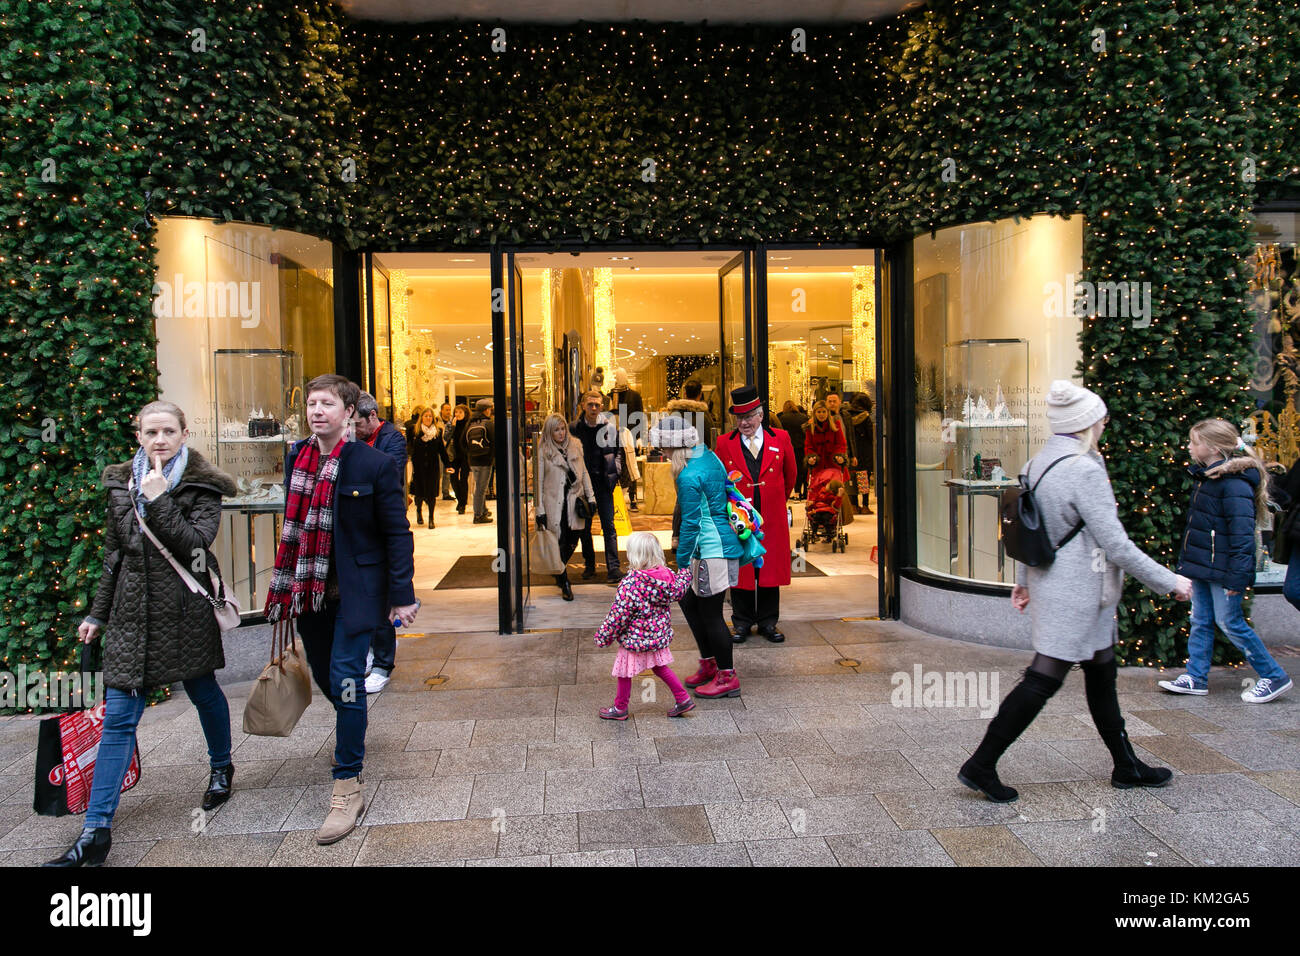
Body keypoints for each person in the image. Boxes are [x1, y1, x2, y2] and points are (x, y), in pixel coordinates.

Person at [958, 381, 1193, 803]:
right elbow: (1116, 543)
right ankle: (981, 763)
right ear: (1086, 423)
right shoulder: (1084, 468)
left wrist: (1025, 580)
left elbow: (1024, 526)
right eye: (1101, 417)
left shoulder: (1038, 461)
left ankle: (1126, 765)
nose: (1105, 423)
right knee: (1041, 680)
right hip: (1078, 592)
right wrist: (1169, 581)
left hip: (1064, 586)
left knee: (1102, 675)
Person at [46, 401, 237, 867]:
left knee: (202, 690)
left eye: (169, 431)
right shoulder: (119, 483)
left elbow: (195, 548)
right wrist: (97, 614)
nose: (160, 440)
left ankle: (221, 766)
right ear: (138, 436)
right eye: (151, 431)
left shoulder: (202, 486)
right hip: (133, 612)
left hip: (184, 609)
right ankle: (96, 832)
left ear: (184, 435)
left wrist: (160, 500)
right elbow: (115, 554)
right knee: (118, 719)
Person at [264, 374, 417, 844]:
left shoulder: (372, 463)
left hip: (357, 593)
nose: (317, 411)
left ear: (349, 411)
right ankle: (353, 727)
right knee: (333, 682)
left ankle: (347, 782)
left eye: (327, 403)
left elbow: (396, 532)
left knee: (348, 678)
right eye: (312, 403)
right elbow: (296, 521)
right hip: (309, 593)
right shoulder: (297, 457)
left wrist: (402, 594)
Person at [1157, 419, 1293, 702]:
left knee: (1230, 622)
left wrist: (1238, 577)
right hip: (1206, 567)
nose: (1190, 447)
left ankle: (1274, 675)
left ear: (1213, 448)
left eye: (1194, 442)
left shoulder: (1234, 484)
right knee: (1201, 621)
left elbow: (1242, 534)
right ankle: (1196, 677)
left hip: (1223, 570)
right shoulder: (1210, 477)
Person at [652, 413, 747, 699]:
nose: (663, 454)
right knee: (691, 602)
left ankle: (727, 676)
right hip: (712, 548)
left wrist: (681, 565)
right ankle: (709, 664)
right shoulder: (708, 457)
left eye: (665, 449)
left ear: (676, 446)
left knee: (711, 613)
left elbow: (691, 524)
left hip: (710, 550)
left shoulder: (689, 474)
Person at [715, 385, 797, 643]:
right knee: (742, 568)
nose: (744, 423)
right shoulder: (724, 443)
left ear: (761, 415)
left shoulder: (781, 438)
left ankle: (768, 622)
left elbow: (791, 474)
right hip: (739, 519)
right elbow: (720, 481)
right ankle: (741, 622)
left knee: (769, 570)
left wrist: (776, 501)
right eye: (739, 418)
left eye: (749, 416)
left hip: (771, 517)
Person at [592, 532, 696, 719]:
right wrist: (685, 572)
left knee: (624, 672)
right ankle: (682, 698)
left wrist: (603, 636)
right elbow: (680, 589)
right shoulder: (667, 577)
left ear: (634, 555)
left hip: (635, 638)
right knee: (660, 667)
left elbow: (618, 615)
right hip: (656, 636)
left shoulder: (631, 583)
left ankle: (620, 708)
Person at [353, 390, 409, 694]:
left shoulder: (392, 439)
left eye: (358, 424)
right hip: (359, 529)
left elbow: (389, 475)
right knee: (364, 597)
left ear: (372, 416)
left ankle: (383, 662)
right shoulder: (353, 442)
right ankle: (369, 651)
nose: (355, 431)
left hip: (383, 525)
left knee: (383, 597)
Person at [534, 412, 598, 601]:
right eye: (556, 430)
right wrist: (539, 510)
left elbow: (584, 472)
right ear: (549, 432)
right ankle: (565, 582)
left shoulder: (576, 446)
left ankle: (558, 568)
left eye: (563, 429)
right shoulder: (543, 451)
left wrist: (591, 497)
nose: (561, 433)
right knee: (557, 541)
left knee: (573, 540)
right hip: (554, 505)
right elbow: (537, 484)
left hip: (573, 504)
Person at [571, 389, 624, 582]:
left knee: (609, 526)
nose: (594, 408)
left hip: (603, 483)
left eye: (597, 405)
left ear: (602, 406)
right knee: (584, 528)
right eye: (590, 404)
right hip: (582, 485)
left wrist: (615, 471)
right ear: (583, 406)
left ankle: (613, 568)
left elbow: (618, 451)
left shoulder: (609, 428)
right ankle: (590, 565)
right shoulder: (574, 428)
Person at [667, 378, 715, 552]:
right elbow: (711, 440)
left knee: (682, 498)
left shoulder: (674, 414)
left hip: (680, 460)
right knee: (700, 499)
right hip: (700, 460)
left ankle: (677, 536)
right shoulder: (704, 415)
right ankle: (697, 535)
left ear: (684, 393)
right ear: (700, 394)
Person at [408, 407, 445, 529]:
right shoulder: (414, 430)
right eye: (426, 416)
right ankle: (419, 511)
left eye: (430, 416)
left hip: (433, 467)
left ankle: (431, 518)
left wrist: (449, 465)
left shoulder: (438, 431)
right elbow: (408, 447)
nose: (428, 418)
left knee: (431, 493)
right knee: (419, 493)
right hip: (418, 467)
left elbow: (442, 450)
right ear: (421, 418)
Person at [466, 397, 495, 523]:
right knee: (481, 489)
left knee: (479, 486)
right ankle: (478, 515)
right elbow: (495, 442)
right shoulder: (488, 424)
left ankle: (482, 510)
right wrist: (492, 457)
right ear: (486, 410)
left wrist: (470, 454)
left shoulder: (470, 423)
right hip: (485, 460)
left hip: (473, 460)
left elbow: (463, 441)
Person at [804, 400, 848, 482]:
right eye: (819, 412)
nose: (821, 414)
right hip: (818, 466)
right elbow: (808, 445)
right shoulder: (810, 427)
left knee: (834, 492)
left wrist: (839, 456)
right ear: (815, 413)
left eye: (824, 412)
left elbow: (841, 443)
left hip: (834, 465)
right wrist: (811, 457)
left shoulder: (835, 425)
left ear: (828, 412)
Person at [778, 400, 810, 498]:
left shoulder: (782, 418)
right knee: (803, 470)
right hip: (802, 446)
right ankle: (803, 490)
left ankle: (795, 492)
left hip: (789, 447)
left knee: (792, 469)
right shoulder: (804, 417)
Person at [850, 393, 874, 514]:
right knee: (864, 478)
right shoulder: (866, 417)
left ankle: (854, 505)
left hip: (852, 452)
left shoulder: (847, 416)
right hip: (864, 451)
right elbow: (871, 436)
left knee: (852, 477)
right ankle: (865, 506)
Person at [447, 403, 470, 514]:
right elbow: (446, 437)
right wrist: (453, 427)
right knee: (453, 478)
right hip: (453, 456)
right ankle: (460, 500)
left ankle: (462, 505)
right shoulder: (450, 424)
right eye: (456, 412)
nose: (458, 414)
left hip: (466, 456)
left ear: (465, 414)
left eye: (460, 412)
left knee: (463, 479)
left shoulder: (469, 424)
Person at [438, 403, 457, 501]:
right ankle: (434, 492)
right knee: (438, 472)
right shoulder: (437, 421)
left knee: (447, 472)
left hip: (448, 450)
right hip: (438, 450)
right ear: (441, 410)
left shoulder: (451, 422)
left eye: (449, 410)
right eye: (446, 409)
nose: (448, 412)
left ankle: (445, 492)